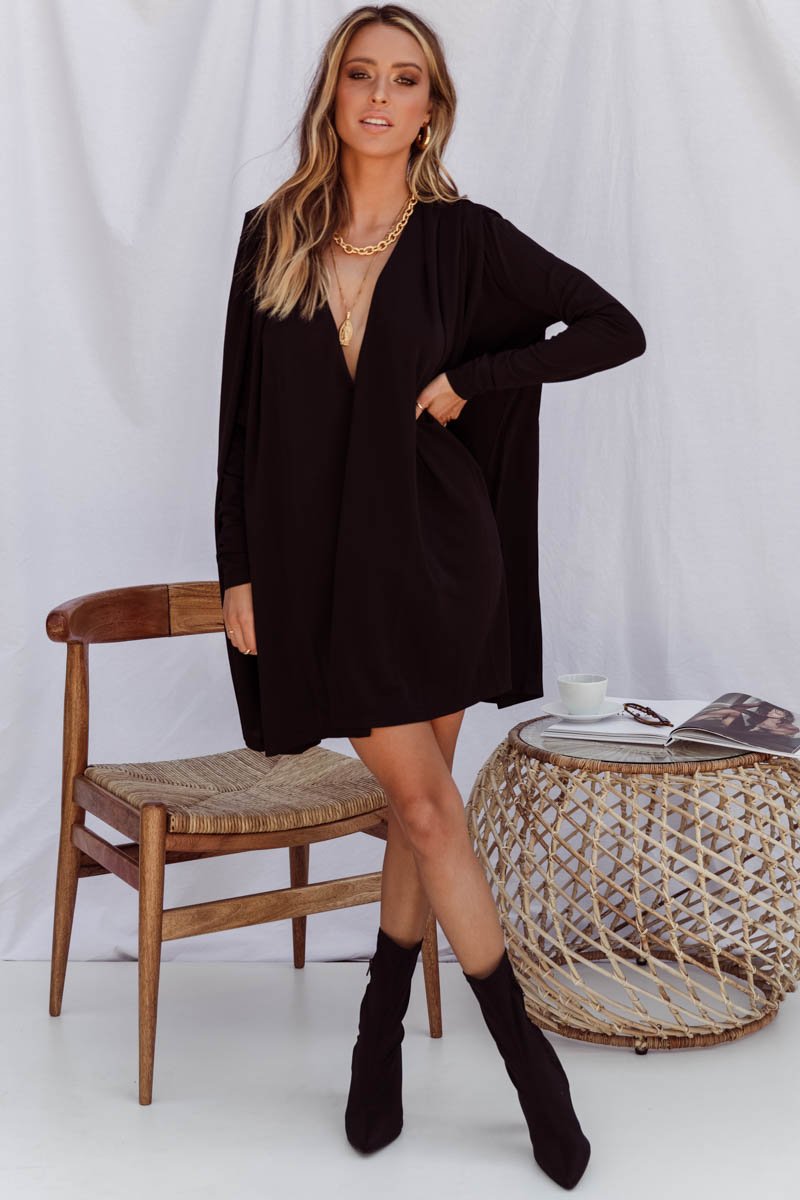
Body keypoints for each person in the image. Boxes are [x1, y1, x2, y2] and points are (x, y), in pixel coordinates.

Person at [214, 5, 646, 1191]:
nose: (379, 97)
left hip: (444, 563)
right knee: (426, 806)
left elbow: (611, 328)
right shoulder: (272, 234)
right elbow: (239, 422)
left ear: (429, 107)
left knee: (422, 809)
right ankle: (524, 1067)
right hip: (318, 572)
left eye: (404, 80)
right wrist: (237, 569)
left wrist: (472, 376)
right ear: (332, 92)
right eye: (360, 74)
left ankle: (380, 1040)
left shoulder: (464, 238)